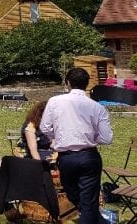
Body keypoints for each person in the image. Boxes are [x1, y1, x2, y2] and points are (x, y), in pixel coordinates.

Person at [40, 68, 113, 224]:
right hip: (88, 156)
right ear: (87, 85)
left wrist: (57, 138)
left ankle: (94, 218)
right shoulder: (97, 107)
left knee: (82, 199)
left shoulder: (54, 102)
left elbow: (45, 127)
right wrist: (91, 137)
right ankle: (99, 220)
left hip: (68, 157)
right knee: (82, 199)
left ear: (67, 83)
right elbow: (106, 138)